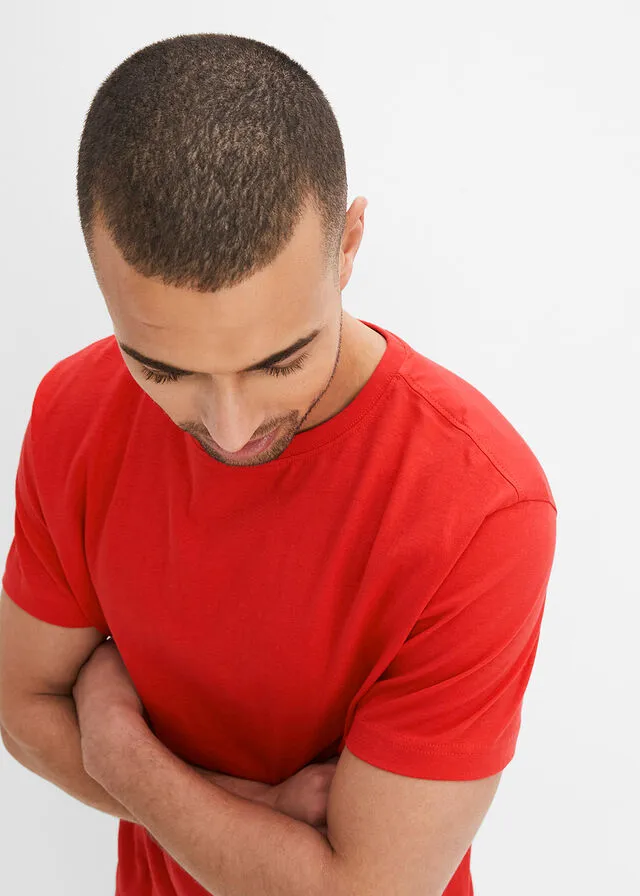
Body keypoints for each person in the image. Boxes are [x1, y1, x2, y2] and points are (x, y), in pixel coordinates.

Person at [0, 33, 557, 896]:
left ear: (349, 245)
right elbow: (23, 710)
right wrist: (255, 812)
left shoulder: (480, 506)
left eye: (280, 362)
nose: (228, 428)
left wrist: (119, 750)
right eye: (164, 371)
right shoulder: (75, 412)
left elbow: (363, 892)